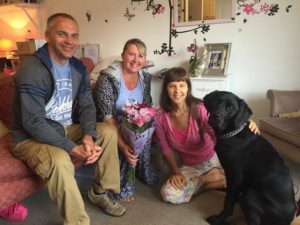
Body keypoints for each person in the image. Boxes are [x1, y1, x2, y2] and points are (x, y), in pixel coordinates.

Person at [10, 13, 125, 225]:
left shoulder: (77, 67)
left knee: (108, 131)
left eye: (74, 35)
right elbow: (33, 123)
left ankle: (99, 192)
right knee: (60, 160)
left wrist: (89, 137)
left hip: (64, 127)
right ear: (47, 36)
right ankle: (78, 222)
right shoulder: (32, 69)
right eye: (62, 34)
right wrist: (73, 148)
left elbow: (87, 104)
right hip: (29, 137)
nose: (69, 41)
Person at [155, 67, 259, 204]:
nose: (177, 91)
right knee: (168, 194)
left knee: (253, 179)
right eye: (172, 86)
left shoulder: (200, 108)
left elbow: (223, 126)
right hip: (190, 166)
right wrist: (176, 172)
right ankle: (213, 181)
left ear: (188, 88)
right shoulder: (160, 116)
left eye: (182, 85)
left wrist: (246, 123)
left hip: (215, 158)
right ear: (166, 89)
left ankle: (209, 180)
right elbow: (165, 148)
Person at [93, 38, 158, 202]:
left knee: (149, 125)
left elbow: (147, 105)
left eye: (141, 56)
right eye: (131, 54)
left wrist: (143, 125)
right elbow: (106, 115)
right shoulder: (107, 78)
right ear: (123, 55)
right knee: (126, 138)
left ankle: (141, 170)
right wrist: (123, 145)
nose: (136, 60)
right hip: (110, 123)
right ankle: (120, 183)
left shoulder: (145, 78)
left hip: (133, 123)